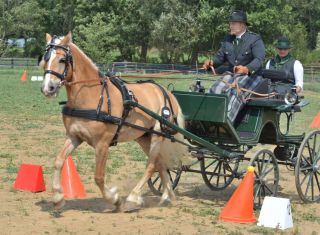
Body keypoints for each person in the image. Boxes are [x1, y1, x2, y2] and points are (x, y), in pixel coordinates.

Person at [203, 10, 265, 75]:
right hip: (232, 76)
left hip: (251, 77)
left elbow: (259, 59)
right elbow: (220, 57)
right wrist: (211, 62)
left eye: (233, 24)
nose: (230, 26)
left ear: (242, 25)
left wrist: (247, 69)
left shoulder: (255, 39)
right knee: (216, 85)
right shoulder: (228, 39)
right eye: (230, 24)